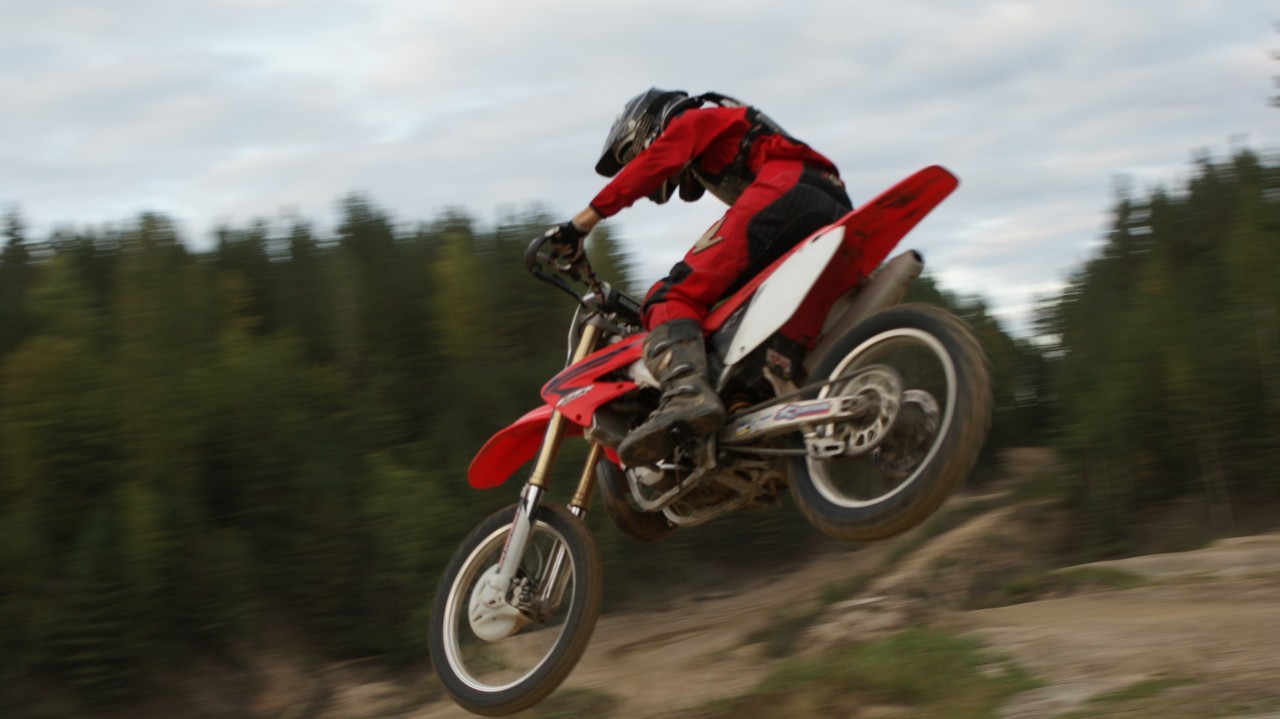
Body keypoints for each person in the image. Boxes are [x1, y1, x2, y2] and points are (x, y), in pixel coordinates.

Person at [547, 88, 853, 467]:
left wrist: (582, 223)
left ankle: (686, 393)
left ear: (649, 129)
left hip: (788, 188)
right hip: (832, 203)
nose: (635, 164)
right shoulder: (732, 136)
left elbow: (657, 161)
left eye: (632, 155)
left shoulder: (695, 120)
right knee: (737, 309)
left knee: (669, 296)